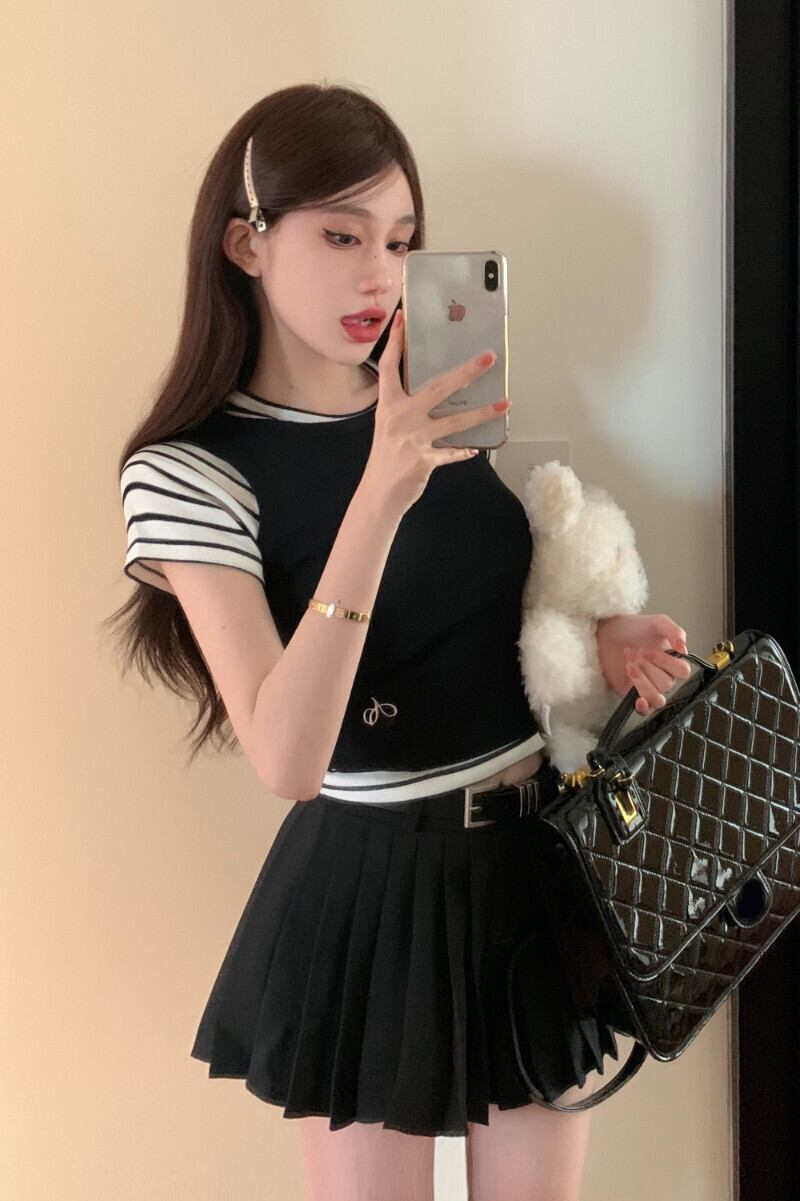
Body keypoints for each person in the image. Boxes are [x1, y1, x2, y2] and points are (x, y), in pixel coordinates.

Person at [109, 82, 691, 1201]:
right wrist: (380, 489)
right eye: (341, 235)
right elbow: (286, 757)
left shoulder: (432, 400)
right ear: (246, 243)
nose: (379, 274)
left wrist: (601, 638)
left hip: (533, 862)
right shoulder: (189, 474)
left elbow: (476, 615)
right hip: (372, 882)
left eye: (400, 239)